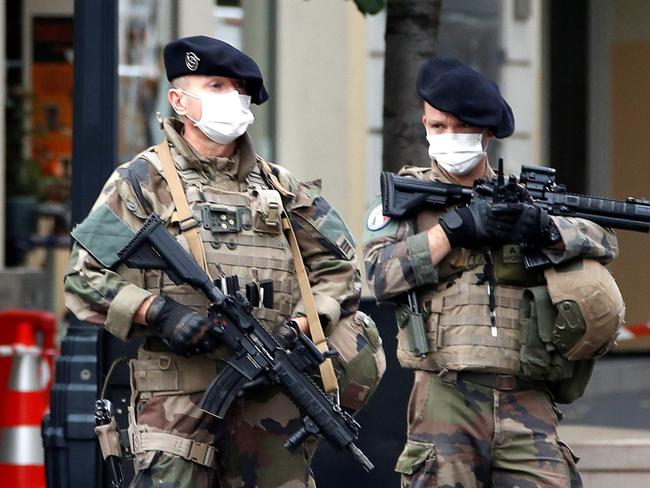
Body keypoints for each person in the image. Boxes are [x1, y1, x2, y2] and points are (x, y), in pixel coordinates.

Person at [65, 35, 384, 488]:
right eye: (215, 86)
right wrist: (159, 311)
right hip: (175, 402)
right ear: (179, 101)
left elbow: (340, 273)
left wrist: (303, 325)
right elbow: (82, 278)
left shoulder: (282, 187)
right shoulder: (138, 183)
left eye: (237, 88)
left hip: (269, 402)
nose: (231, 98)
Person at [363, 57, 624, 487]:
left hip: (526, 392)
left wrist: (543, 228)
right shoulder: (407, 200)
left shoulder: (525, 199)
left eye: (458, 129)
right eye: (436, 127)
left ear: (485, 132)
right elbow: (378, 275)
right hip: (446, 393)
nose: (446, 138)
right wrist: (455, 230)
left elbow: (603, 239)